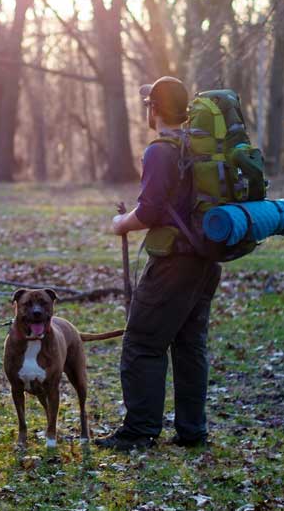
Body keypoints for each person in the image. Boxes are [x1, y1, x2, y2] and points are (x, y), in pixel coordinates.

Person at [95, 76, 223, 451]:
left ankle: (139, 432)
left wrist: (121, 223)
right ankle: (192, 431)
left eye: (148, 104)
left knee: (142, 342)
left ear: (154, 108)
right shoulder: (196, 146)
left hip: (174, 263)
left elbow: (149, 211)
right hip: (206, 259)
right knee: (189, 344)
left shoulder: (160, 151)